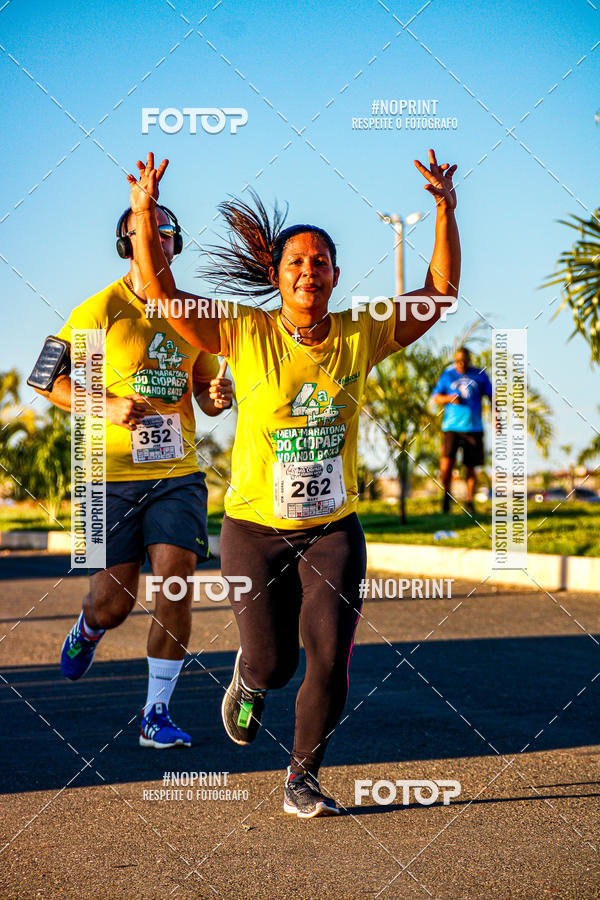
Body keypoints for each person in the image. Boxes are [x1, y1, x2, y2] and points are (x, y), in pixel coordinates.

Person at [127, 149, 460, 816]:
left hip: (332, 529)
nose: (309, 271)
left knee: (330, 658)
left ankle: (301, 777)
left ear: (335, 275)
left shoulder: (360, 333)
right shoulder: (245, 331)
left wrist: (445, 210)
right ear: (277, 277)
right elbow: (161, 295)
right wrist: (144, 216)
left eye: (320, 262)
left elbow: (439, 294)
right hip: (253, 529)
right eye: (296, 263)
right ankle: (248, 681)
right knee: (275, 664)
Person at [30, 202, 232, 748]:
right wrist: (106, 403)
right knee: (113, 602)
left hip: (177, 475)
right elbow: (44, 380)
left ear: (176, 244)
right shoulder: (99, 311)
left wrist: (216, 397)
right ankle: (89, 627)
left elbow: (210, 395)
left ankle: (155, 714)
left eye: (166, 232)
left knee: (175, 583)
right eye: (146, 231)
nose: (158, 240)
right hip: (106, 477)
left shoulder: (195, 314)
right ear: (126, 245)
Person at [432, 346, 493, 515]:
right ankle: (446, 497)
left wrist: (497, 418)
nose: (461, 364)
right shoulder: (448, 375)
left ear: (469, 360)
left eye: (464, 361)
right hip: (451, 426)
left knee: (471, 466)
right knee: (446, 464)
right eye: (458, 361)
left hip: (473, 427)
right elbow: (435, 397)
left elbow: (492, 397)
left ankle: (469, 501)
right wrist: (449, 398)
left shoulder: (480, 375)